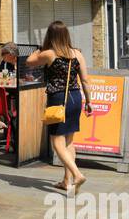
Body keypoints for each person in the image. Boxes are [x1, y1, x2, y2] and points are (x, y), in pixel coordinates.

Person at [24, 22, 93, 194]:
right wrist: (89, 101)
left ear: (50, 36)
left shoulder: (49, 53)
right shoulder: (77, 53)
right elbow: (85, 80)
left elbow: (29, 61)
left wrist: (41, 47)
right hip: (76, 97)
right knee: (69, 141)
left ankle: (77, 175)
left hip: (58, 98)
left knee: (56, 141)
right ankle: (66, 181)